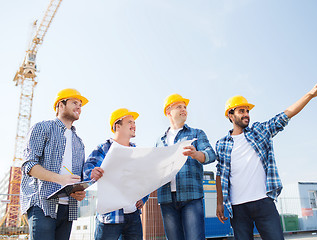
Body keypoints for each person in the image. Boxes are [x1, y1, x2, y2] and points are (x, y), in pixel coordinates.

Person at [215, 78, 317, 240]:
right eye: (241, 111)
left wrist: (310, 94)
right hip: (237, 208)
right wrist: (219, 203)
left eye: (247, 111)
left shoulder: (259, 131)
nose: (246, 115)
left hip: (263, 202)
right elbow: (220, 174)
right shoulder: (221, 144)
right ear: (230, 115)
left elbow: (286, 114)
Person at [20, 88, 89, 240]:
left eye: (80, 104)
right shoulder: (42, 128)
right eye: (74, 102)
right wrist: (60, 179)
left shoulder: (79, 143)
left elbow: (78, 178)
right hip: (42, 204)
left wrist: (79, 192)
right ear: (60, 105)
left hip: (68, 208)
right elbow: (29, 165)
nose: (79, 107)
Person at [156, 93, 216, 240]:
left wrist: (197, 154)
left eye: (185, 107)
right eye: (179, 107)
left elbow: (211, 154)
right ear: (168, 112)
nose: (184, 110)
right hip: (167, 199)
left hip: (191, 197)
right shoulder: (160, 141)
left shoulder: (196, 133)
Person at [83, 108, 148, 240]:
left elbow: (145, 179)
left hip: (133, 217)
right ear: (117, 126)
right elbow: (87, 170)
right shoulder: (104, 148)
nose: (134, 125)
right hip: (110, 217)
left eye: (134, 122)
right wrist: (92, 173)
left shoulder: (137, 151)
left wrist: (144, 197)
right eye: (130, 122)